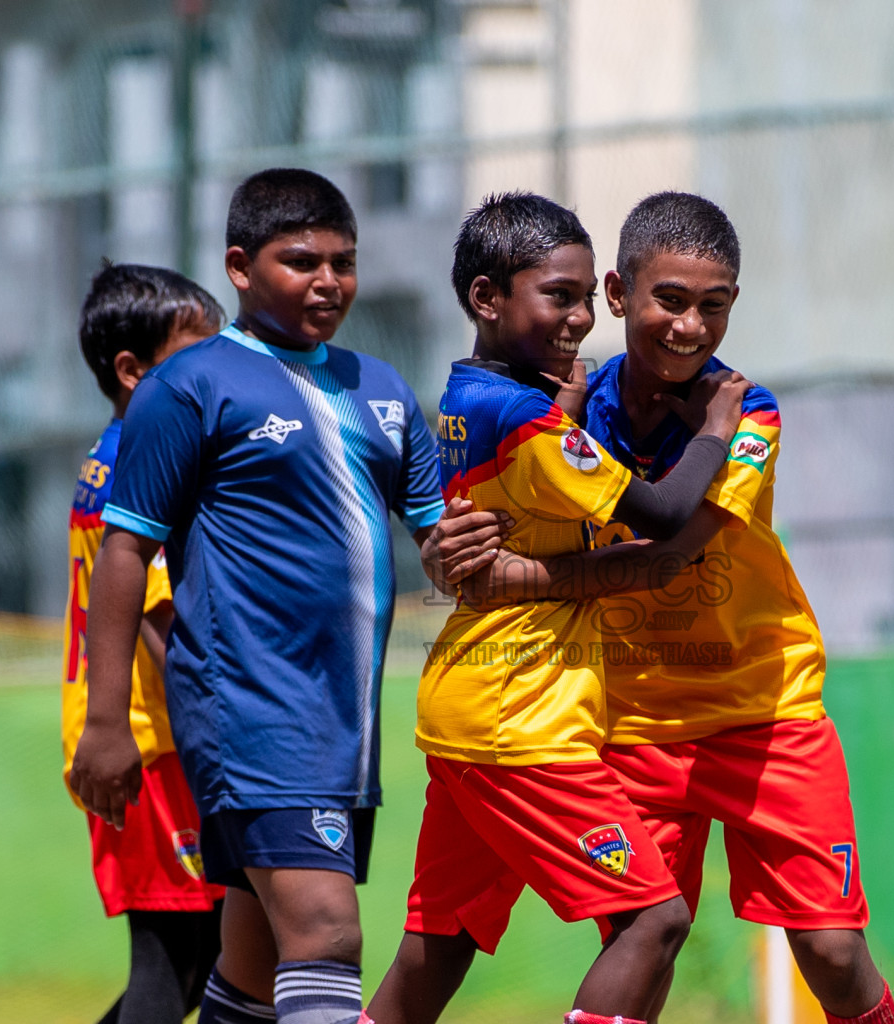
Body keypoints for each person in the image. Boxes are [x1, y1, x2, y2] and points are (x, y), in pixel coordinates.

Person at [425, 192, 894, 1024]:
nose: (689, 328)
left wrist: (509, 579)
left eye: (712, 307)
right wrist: (447, 553)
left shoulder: (745, 412)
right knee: (640, 943)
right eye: (669, 301)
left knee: (830, 947)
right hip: (632, 722)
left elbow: (670, 551)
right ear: (618, 294)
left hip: (766, 710)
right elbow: (489, 510)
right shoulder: (567, 410)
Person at [70, 169, 496, 1024]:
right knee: (328, 934)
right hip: (248, 709)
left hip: (347, 721)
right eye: (301, 261)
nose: (328, 281)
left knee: (254, 964)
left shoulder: (379, 389)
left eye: (343, 262)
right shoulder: (187, 388)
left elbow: (435, 549)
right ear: (239, 266)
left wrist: (458, 552)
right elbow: (125, 552)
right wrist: (106, 721)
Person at [365, 191, 749, 1024]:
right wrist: (718, 428)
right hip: (520, 720)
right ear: (486, 299)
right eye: (558, 296)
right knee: (655, 918)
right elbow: (663, 515)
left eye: (584, 297)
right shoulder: (524, 417)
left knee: (443, 939)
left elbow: (516, 517)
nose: (579, 319)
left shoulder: (480, 396)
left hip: (477, 705)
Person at [63, 262, 227, 1023]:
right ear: (132, 372)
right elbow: (163, 627)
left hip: (153, 744)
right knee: (172, 963)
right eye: (194, 359)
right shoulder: (141, 463)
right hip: (150, 749)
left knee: (201, 962)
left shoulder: (119, 451)